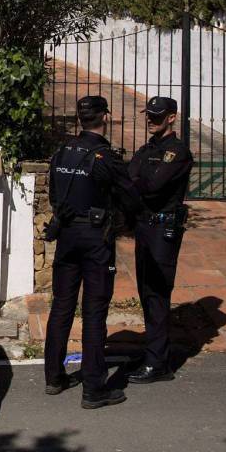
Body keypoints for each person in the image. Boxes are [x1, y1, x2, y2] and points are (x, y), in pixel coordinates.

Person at [43, 95, 137, 409]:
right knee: (95, 313)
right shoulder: (105, 156)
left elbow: (54, 193)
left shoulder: (62, 151)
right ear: (105, 118)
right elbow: (130, 196)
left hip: (67, 235)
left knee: (61, 307)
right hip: (96, 237)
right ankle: (94, 389)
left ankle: (54, 377)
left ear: (82, 119)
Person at [127, 96, 194, 383]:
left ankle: (158, 363)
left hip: (163, 231)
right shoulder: (148, 149)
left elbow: (153, 187)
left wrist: (139, 181)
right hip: (145, 227)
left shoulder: (177, 152)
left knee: (156, 293)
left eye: (157, 116)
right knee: (146, 290)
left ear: (171, 118)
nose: (151, 120)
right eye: (149, 115)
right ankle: (155, 352)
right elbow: (130, 178)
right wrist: (140, 180)